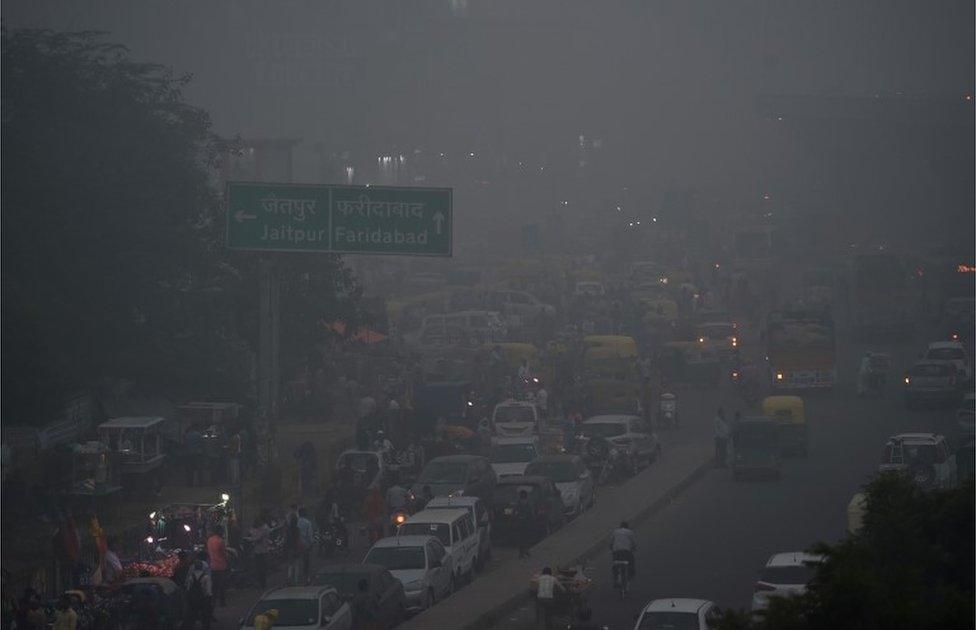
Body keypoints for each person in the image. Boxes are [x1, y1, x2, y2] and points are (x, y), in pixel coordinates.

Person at [183, 555, 213, 630]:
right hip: (203, 598)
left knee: (192, 614)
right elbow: (208, 591)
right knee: (205, 615)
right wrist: (209, 598)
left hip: (193, 599)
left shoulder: (191, 577)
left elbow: (188, 588)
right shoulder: (206, 577)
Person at [206, 526, 229, 607]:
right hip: (221, 565)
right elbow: (224, 554)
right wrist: (228, 561)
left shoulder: (209, 540)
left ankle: (213, 601)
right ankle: (222, 602)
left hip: (212, 565)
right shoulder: (220, 541)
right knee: (222, 585)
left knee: (214, 585)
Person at [249, 516, 270, 589]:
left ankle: (262, 583)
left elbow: (258, 538)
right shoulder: (261, 528)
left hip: (262, 550)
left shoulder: (264, 528)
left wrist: (253, 540)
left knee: (261, 568)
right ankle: (260, 583)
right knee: (259, 568)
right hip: (258, 551)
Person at [296, 508, 314, 584]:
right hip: (305, 544)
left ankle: (296, 578)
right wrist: (311, 543)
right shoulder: (308, 523)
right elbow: (309, 534)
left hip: (296, 544)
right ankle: (306, 578)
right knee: (306, 562)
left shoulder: (296, 522)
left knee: (297, 561)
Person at [516, 489, 534, 559]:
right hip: (526, 522)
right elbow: (531, 513)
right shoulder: (529, 503)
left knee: (520, 537)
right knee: (526, 537)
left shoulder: (518, 503)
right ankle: (526, 550)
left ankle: (521, 552)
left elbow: (515, 512)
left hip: (520, 522)